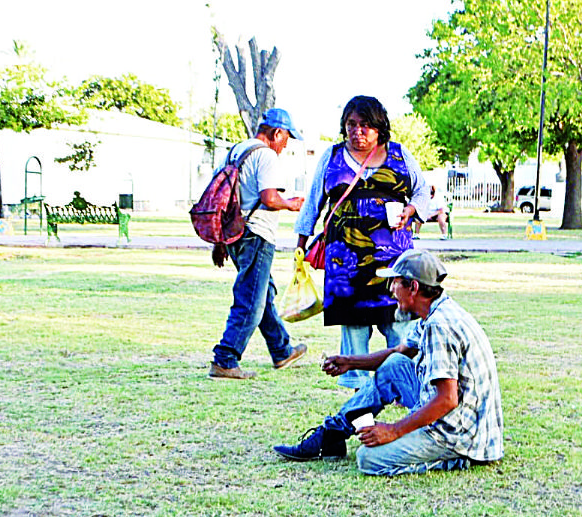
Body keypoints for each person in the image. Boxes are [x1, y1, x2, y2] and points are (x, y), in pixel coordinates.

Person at [272, 249, 504, 476]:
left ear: (413, 287)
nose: (391, 291)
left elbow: (447, 399)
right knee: (395, 363)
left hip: (460, 434)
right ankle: (332, 436)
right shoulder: (436, 312)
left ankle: (458, 458)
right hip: (459, 417)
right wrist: (350, 362)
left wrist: (394, 431)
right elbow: (398, 351)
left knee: (368, 459)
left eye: (395, 283)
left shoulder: (439, 326)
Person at [294, 96, 429, 389]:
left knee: (399, 322)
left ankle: (403, 386)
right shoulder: (331, 156)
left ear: (379, 127)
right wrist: (301, 244)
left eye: (366, 125)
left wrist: (411, 210)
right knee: (353, 326)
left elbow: (422, 193)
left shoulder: (400, 155)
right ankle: (359, 390)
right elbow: (312, 204)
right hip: (346, 260)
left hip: (393, 262)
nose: (358, 131)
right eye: (352, 124)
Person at [209, 108, 308, 380]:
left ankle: (281, 350)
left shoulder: (234, 152)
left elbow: (220, 201)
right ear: (276, 133)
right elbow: (269, 198)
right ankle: (225, 358)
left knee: (263, 293)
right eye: (286, 138)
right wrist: (291, 204)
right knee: (251, 300)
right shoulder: (265, 155)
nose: (285, 145)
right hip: (257, 234)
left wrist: (219, 241)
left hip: (234, 234)